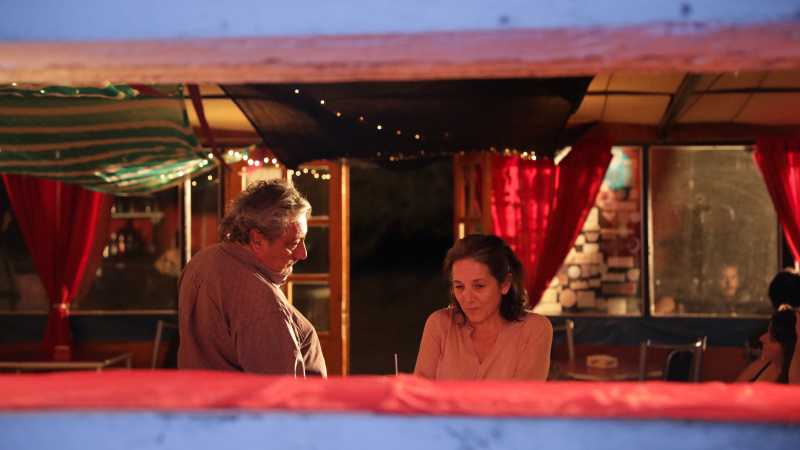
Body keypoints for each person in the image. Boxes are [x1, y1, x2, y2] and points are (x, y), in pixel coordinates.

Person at [177, 179, 327, 378]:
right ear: (257, 239)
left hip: (198, 395)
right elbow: (277, 390)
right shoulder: (262, 302)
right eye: (293, 243)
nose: (303, 253)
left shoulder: (202, 261)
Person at [414, 233, 552, 380]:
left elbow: (524, 394)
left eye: (479, 286)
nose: (468, 298)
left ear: (505, 283)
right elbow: (418, 391)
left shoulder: (534, 329)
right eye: (459, 286)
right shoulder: (440, 325)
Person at [735, 305, 797, 383]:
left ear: (789, 347)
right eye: (767, 331)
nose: (761, 338)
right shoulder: (759, 366)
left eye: (771, 339)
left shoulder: (795, 381)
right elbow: (734, 390)